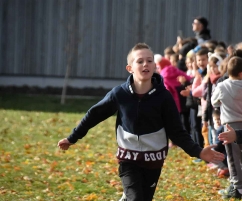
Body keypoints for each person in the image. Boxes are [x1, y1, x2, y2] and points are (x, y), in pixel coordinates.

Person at [57, 43, 224, 201]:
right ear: (130, 68)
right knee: (136, 199)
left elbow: (177, 132)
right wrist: (72, 137)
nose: (146, 64)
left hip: (154, 161)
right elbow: (94, 115)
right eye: (140, 61)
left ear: (155, 67)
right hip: (128, 159)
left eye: (150, 61)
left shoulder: (164, 97)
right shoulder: (119, 94)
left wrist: (199, 151)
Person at [211, 56, 242, 199]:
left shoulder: (222, 86)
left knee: (233, 156)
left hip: (230, 124)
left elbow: (214, 102)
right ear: (241, 73)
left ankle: (237, 187)